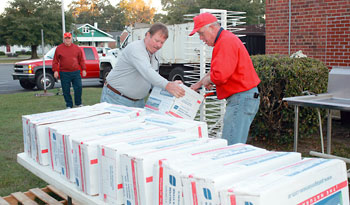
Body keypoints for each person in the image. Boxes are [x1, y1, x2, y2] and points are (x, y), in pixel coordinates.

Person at [190, 13, 261, 145]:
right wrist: (199, 84)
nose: (201, 38)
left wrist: (208, 80)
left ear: (212, 27)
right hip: (243, 97)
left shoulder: (225, 42)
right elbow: (216, 71)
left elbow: (220, 75)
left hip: (241, 98)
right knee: (233, 143)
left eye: (201, 33)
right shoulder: (224, 40)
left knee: (231, 146)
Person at [100, 23, 185, 108]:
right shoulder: (136, 48)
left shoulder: (154, 52)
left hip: (138, 102)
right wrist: (167, 85)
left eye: (162, 42)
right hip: (116, 98)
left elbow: (153, 76)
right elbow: (147, 71)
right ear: (148, 35)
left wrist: (172, 85)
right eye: (156, 40)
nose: (159, 45)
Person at [52, 32, 86, 109]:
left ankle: (78, 103)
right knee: (66, 89)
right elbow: (55, 61)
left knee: (78, 87)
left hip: (76, 72)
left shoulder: (77, 48)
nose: (67, 40)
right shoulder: (59, 48)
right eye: (66, 38)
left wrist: (84, 69)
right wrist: (55, 70)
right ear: (63, 39)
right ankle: (69, 104)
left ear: (71, 39)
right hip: (64, 73)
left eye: (69, 38)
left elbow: (81, 60)